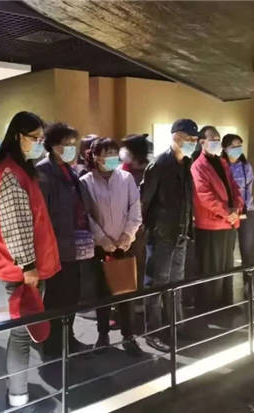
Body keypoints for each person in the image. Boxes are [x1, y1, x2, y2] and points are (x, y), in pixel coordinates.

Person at [0, 111, 60, 408]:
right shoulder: (11, 173)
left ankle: (15, 387)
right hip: (22, 269)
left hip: (27, 266)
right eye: (35, 138)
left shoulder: (20, 169)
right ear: (18, 136)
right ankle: (18, 395)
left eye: (42, 138)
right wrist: (28, 266)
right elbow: (15, 225)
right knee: (21, 334)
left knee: (22, 332)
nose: (39, 143)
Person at [80, 138, 144, 356]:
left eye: (114, 154)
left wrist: (127, 235)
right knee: (102, 294)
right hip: (101, 247)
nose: (111, 158)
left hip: (125, 245)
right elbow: (87, 215)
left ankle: (129, 336)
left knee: (126, 292)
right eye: (106, 154)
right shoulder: (86, 182)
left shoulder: (126, 178)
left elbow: (135, 209)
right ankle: (103, 335)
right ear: (95, 156)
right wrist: (102, 239)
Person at [140, 119, 198, 352]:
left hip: (180, 233)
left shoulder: (186, 164)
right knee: (156, 284)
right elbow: (144, 201)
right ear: (175, 137)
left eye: (194, 139)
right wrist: (150, 230)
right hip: (162, 234)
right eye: (188, 138)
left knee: (176, 282)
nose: (192, 143)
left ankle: (176, 326)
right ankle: (153, 332)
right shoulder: (160, 165)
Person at [36, 122, 91, 357]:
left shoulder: (70, 170)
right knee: (56, 297)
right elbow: (42, 215)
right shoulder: (43, 172)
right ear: (51, 145)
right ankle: (52, 343)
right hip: (56, 245)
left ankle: (68, 338)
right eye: (65, 144)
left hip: (73, 243)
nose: (70, 149)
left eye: (72, 144)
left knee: (71, 295)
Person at [191, 126, 245, 314]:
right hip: (211, 224)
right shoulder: (198, 166)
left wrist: (236, 208)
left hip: (228, 222)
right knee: (211, 268)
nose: (216, 142)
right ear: (202, 142)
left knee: (226, 266)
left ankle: (225, 303)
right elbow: (204, 195)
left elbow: (234, 187)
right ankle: (209, 307)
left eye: (217, 139)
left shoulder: (222, 162)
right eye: (212, 139)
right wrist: (226, 211)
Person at [120, 134, 152, 296]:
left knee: (141, 262)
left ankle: (139, 297)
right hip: (124, 226)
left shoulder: (150, 170)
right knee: (127, 263)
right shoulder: (123, 170)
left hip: (143, 226)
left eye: (125, 148)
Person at [221, 134, 254, 267]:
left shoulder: (246, 166)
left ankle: (248, 277)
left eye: (239, 146)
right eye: (233, 146)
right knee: (227, 249)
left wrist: (243, 210)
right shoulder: (220, 166)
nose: (237, 149)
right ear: (224, 148)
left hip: (246, 212)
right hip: (226, 213)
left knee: (246, 249)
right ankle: (226, 277)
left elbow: (249, 190)